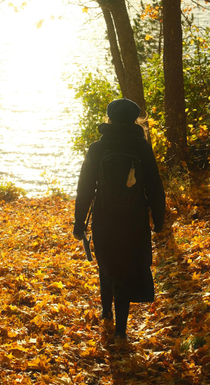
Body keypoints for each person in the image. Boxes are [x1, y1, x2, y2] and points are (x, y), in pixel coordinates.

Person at [73, 98, 165, 340]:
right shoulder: (142, 148)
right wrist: (159, 218)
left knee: (107, 264)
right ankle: (121, 331)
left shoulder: (97, 148)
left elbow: (85, 188)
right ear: (136, 120)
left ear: (109, 119)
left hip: (104, 217)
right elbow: (154, 185)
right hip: (134, 219)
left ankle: (106, 313)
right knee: (124, 270)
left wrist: (79, 222)